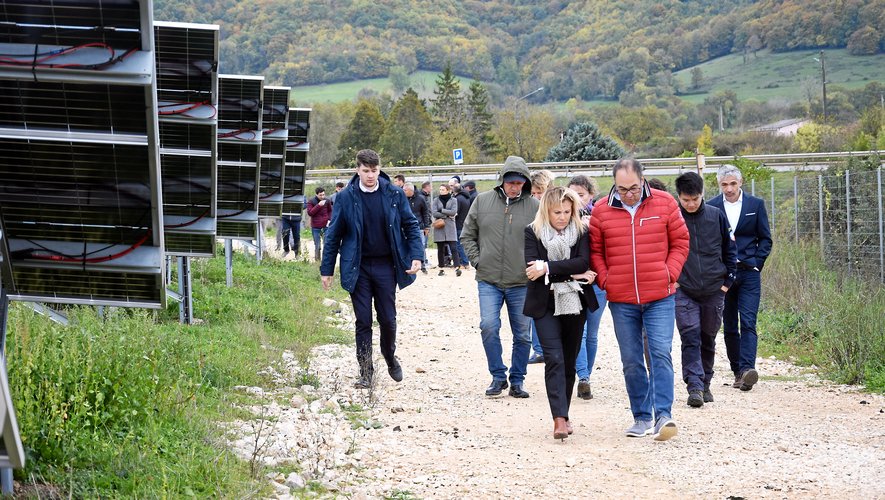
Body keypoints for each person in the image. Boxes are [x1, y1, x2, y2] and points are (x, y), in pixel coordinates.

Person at [589, 158, 689, 441]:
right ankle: (641, 417)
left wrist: (670, 272)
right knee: (631, 359)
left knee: (659, 353)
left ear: (643, 180)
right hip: (622, 299)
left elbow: (681, 241)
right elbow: (595, 251)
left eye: (633, 188)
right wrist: (606, 279)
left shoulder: (665, 203)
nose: (628, 194)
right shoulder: (601, 210)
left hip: (660, 295)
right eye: (622, 189)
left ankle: (663, 416)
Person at [320, 149, 424, 388]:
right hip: (358, 267)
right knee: (363, 320)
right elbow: (333, 235)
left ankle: (389, 355)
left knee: (387, 318)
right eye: (365, 171)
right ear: (357, 169)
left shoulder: (394, 194)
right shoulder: (346, 197)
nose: (370, 176)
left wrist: (417, 256)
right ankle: (366, 371)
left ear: (379, 169)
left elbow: (410, 224)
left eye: (374, 171)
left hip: (386, 265)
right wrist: (327, 270)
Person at [523, 186, 599, 440]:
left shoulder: (581, 231)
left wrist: (548, 268)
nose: (563, 217)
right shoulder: (531, 232)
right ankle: (558, 419)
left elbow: (583, 263)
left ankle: (564, 414)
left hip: (575, 303)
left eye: (567, 211)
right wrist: (573, 275)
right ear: (547, 210)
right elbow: (531, 268)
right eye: (557, 212)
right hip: (544, 303)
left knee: (568, 359)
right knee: (553, 357)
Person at [461, 156, 540, 398]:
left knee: (523, 334)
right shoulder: (482, 201)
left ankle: (517, 380)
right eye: (510, 182)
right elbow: (467, 236)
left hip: (521, 281)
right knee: (488, 326)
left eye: (519, 182)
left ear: (525, 183)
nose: (514, 187)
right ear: (502, 181)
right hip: (489, 279)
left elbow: (544, 241)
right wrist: (478, 261)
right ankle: (497, 376)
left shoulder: (535, 207)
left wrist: (535, 266)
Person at [707, 164, 773, 392]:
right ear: (719, 185)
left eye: (733, 183)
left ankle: (747, 370)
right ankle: (737, 371)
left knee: (748, 322)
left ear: (741, 182)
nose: (729, 188)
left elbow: (766, 238)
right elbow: (710, 241)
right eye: (724, 184)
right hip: (725, 276)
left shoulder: (756, 205)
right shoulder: (712, 207)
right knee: (730, 326)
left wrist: (757, 263)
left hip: (749, 273)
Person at [674, 172, 737, 407]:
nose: (690, 204)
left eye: (695, 199)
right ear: (678, 197)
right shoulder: (673, 219)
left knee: (707, 337)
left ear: (702, 195)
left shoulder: (716, 216)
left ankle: (706, 382)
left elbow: (731, 251)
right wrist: (675, 280)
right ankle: (695, 386)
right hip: (684, 289)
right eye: (685, 200)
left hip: (714, 289)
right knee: (690, 335)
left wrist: (725, 284)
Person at [567, 174, 608, 400]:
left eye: (581, 195)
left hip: (598, 282)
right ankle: (582, 376)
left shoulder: (601, 217)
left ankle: (587, 375)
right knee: (579, 332)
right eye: (572, 194)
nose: (576, 199)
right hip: (573, 281)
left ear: (591, 195)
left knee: (591, 333)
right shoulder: (563, 217)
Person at [527, 168, 555, 365]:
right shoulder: (529, 210)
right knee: (536, 305)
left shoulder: (558, 208)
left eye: (540, 192)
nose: (536, 196)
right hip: (535, 261)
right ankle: (539, 349)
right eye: (533, 193)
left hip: (554, 263)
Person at [431, 184, 462, 276]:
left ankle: (457, 267)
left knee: (453, 247)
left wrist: (442, 210)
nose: (441, 191)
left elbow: (454, 212)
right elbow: (434, 213)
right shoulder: (436, 200)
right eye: (440, 189)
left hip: (450, 226)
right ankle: (441, 268)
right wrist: (446, 215)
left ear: (448, 190)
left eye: (443, 189)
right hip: (439, 226)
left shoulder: (454, 200)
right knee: (440, 249)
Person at [404, 182, 430, 274]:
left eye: (405, 190)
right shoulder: (403, 199)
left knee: (421, 245)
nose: (403, 191)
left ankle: (422, 265)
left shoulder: (420, 198)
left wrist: (427, 226)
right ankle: (408, 264)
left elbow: (425, 212)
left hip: (419, 226)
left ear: (410, 190)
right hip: (405, 227)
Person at [307, 186, 333, 262]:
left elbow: (330, 211)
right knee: (317, 246)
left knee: (326, 245)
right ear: (316, 194)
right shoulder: (311, 201)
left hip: (326, 226)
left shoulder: (327, 201)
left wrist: (329, 219)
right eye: (320, 195)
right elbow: (310, 213)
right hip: (316, 227)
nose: (322, 196)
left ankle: (326, 261)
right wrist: (318, 205)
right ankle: (317, 261)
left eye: (323, 194)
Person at [452, 183, 471, 268]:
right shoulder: (466, 197)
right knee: (462, 244)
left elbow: (455, 212)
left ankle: (464, 263)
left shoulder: (458, 199)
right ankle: (465, 262)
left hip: (458, 224)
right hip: (464, 223)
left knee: (459, 245)